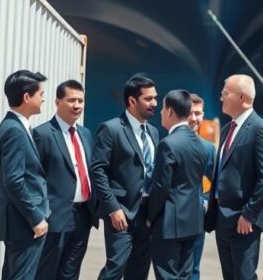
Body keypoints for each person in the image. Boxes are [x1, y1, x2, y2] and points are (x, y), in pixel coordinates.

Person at [205, 75, 263, 280]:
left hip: (243, 220)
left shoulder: (260, 129)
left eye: (225, 94)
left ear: (242, 97)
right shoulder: (228, 129)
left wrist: (249, 214)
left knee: (244, 276)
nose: (221, 98)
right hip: (222, 218)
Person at [91, 74, 161, 280]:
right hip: (121, 214)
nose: (154, 103)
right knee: (115, 269)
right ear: (132, 101)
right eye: (148, 99)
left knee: (139, 272)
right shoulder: (111, 129)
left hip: (147, 215)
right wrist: (113, 208)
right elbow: (98, 171)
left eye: (155, 98)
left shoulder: (154, 132)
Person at [32, 79, 97, 280]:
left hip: (82, 216)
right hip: (55, 217)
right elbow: (35, 178)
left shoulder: (85, 134)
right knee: (46, 273)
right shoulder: (42, 134)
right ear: (57, 102)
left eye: (80, 100)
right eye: (71, 100)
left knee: (70, 273)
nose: (77, 105)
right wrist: (40, 214)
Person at [0, 70, 51, 280]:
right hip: (23, 222)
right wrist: (35, 218)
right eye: (41, 94)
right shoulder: (14, 130)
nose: (43, 98)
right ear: (27, 97)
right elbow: (14, 181)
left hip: (20, 221)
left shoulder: (16, 126)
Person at [148, 90, 210, 280]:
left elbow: (161, 186)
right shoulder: (202, 145)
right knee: (185, 276)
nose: (160, 114)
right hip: (193, 224)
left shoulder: (168, 144)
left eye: (161, 109)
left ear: (169, 111)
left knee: (167, 276)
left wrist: (150, 216)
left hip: (168, 225)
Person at [188, 94, 217, 280]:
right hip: (171, 218)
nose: (194, 118)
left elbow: (213, 181)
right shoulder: (166, 144)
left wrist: (204, 202)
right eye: (190, 112)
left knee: (194, 269)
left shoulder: (208, 148)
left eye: (198, 113)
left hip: (197, 218)